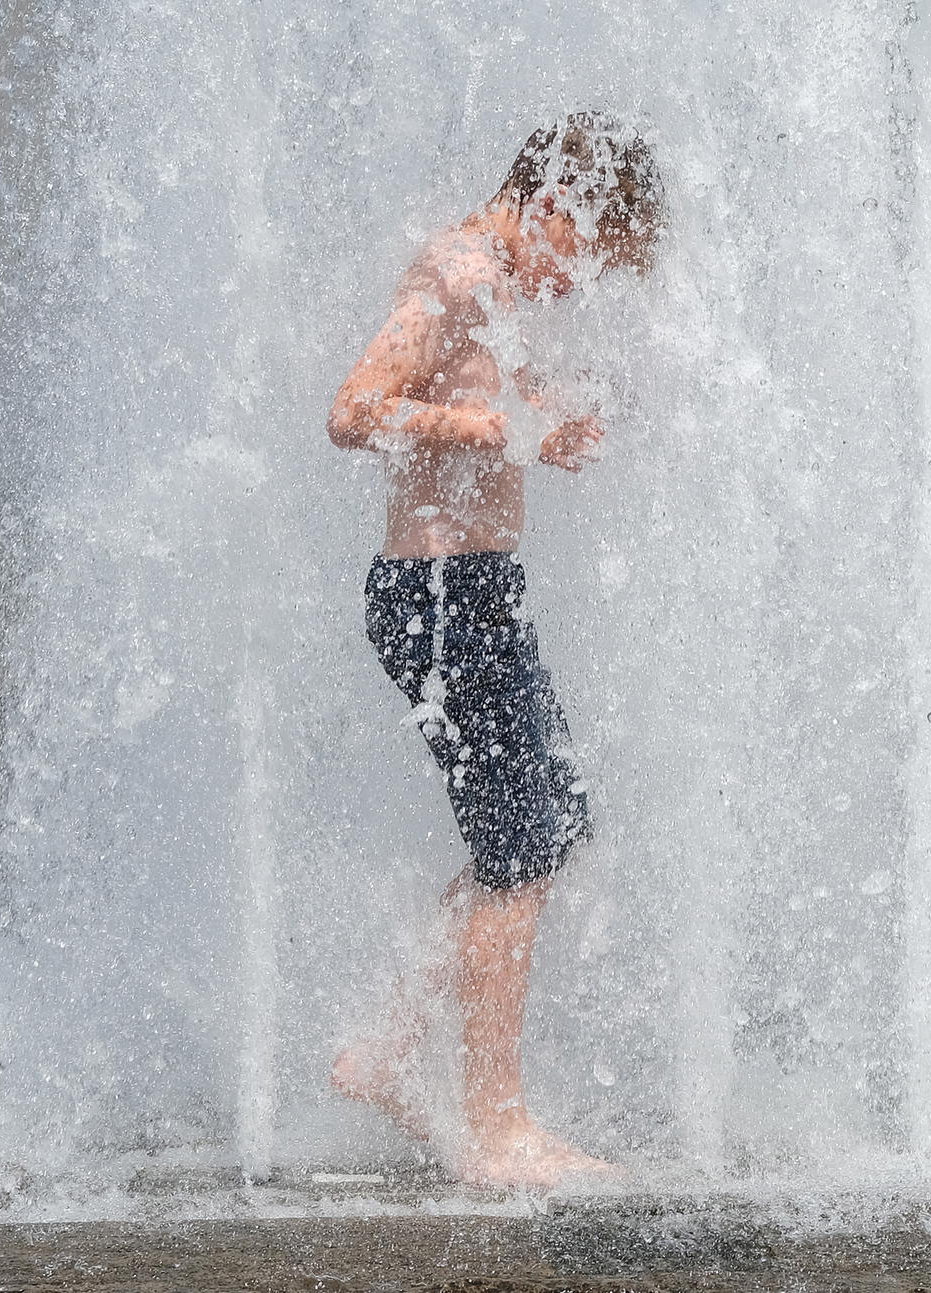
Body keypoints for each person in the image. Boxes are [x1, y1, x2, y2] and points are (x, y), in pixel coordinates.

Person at [323, 112, 662, 1188]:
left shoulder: (491, 279)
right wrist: (505, 429)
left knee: (542, 828)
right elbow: (353, 409)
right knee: (523, 847)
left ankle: (381, 1047)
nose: (579, 289)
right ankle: (498, 1130)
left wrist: (534, 418)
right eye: (587, 258)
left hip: (471, 591)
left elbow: (461, 403)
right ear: (553, 207)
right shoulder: (459, 269)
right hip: (437, 595)